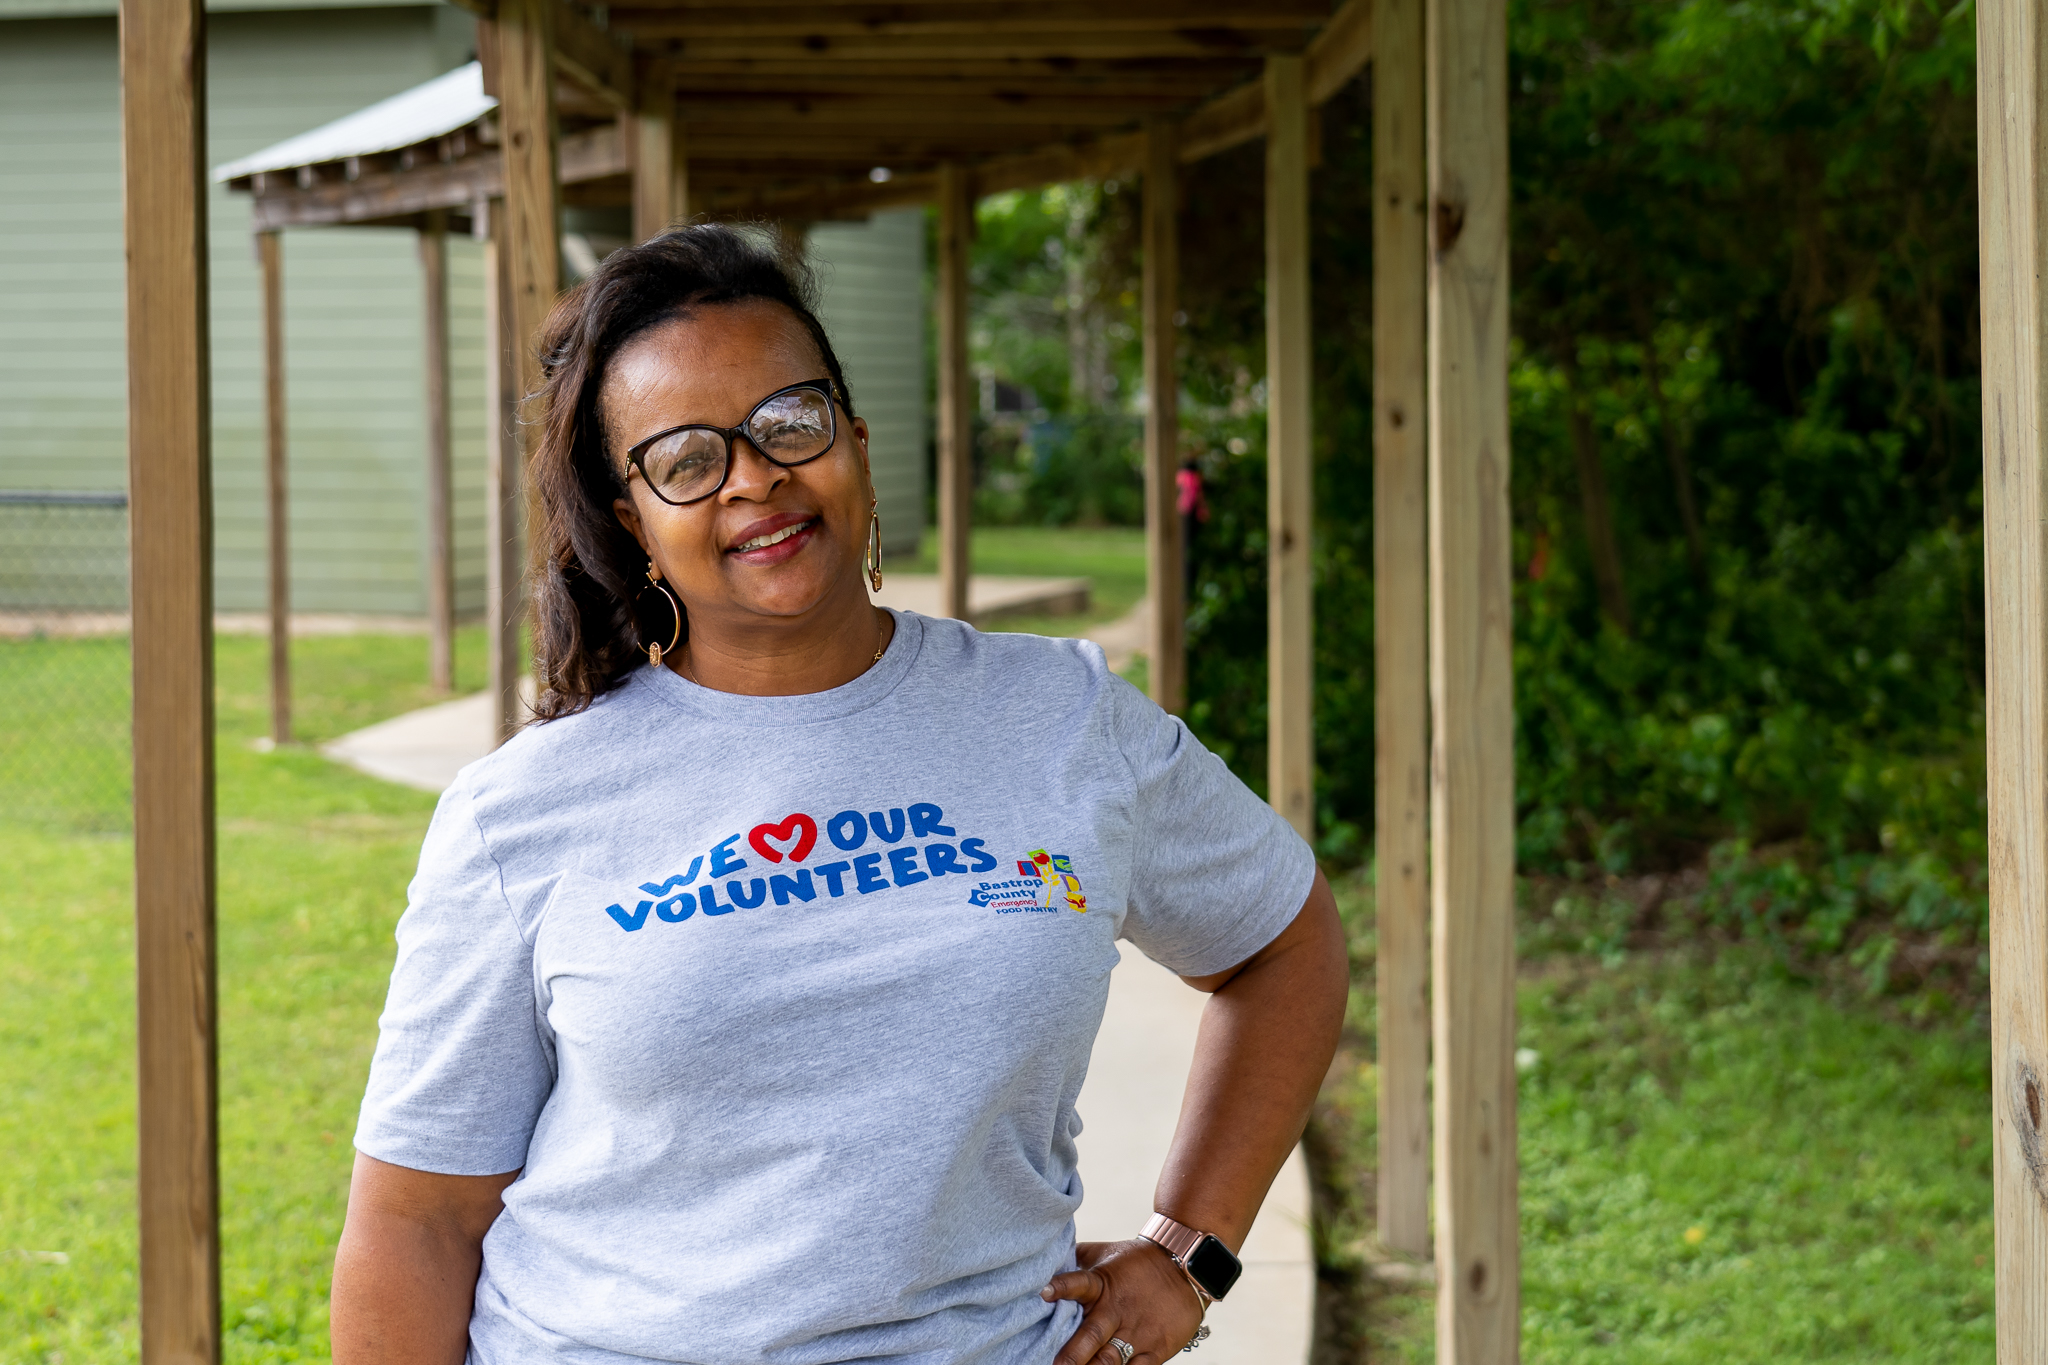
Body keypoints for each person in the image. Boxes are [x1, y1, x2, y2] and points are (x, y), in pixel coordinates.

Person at [330, 224, 1347, 1365]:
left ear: (854, 440)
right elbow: (418, 1219)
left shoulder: (1059, 719)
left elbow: (1282, 943)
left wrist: (1189, 1251)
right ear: (633, 521)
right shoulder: (520, 812)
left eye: (787, 424)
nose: (755, 478)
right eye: (686, 459)